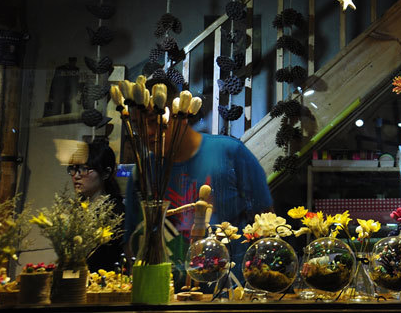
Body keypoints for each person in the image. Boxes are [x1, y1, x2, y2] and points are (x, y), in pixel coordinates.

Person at [123, 79, 272, 287]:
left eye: (151, 121)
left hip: (228, 293)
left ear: (181, 116)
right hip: (163, 291)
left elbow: (266, 222)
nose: (146, 133)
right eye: (138, 126)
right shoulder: (142, 172)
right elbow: (132, 240)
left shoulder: (229, 153)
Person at [70, 140, 126, 272]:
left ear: (106, 173)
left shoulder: (116, 212)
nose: (76, 176)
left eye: (84, 169)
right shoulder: (77, 210)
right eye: (74, 169)